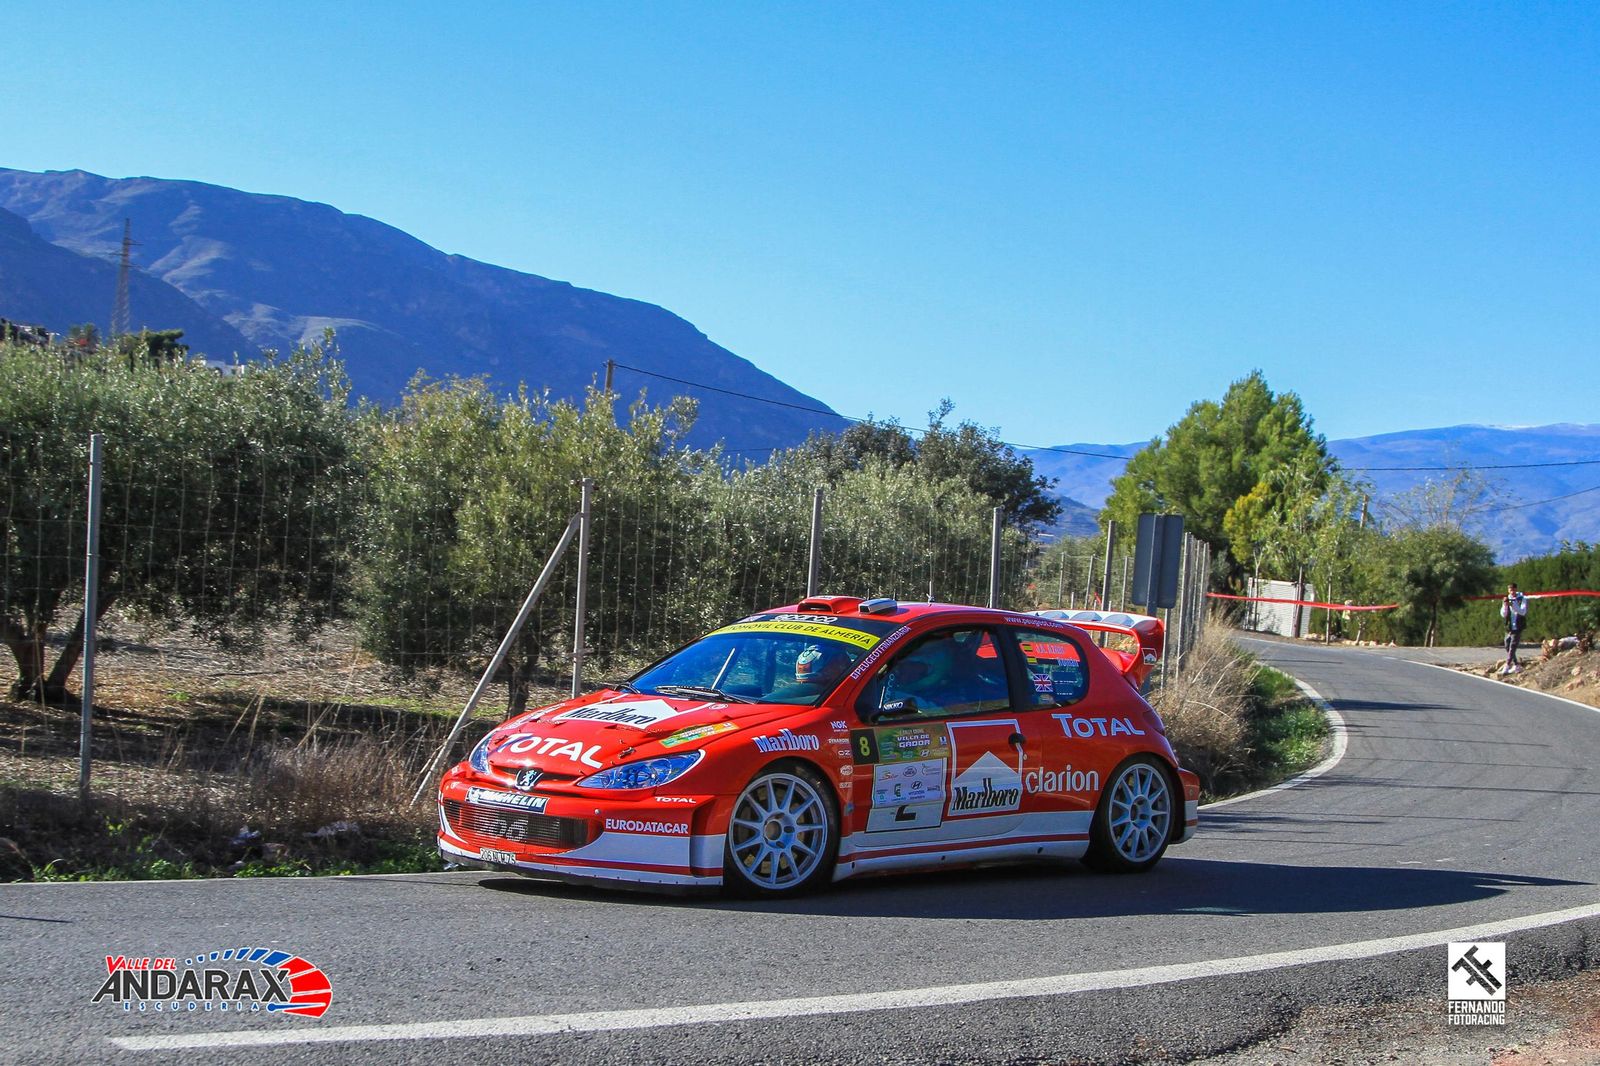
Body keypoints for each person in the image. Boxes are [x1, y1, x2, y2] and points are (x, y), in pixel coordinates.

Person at [1500, 583, 1529, 675]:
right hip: (1509, 627)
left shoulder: (1522, 599)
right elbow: (1503, 614)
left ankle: (1507, 665)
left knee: (1513, 646)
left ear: (1516, 589)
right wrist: (1505, 605)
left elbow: (1523, 612)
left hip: (1518, 626)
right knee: (1507, 645)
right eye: (1510, 590)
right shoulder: (1507, 599)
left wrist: (1513, 605)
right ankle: (1516, 665)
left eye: (1513, 590)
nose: (1511, 592)